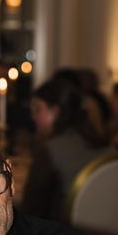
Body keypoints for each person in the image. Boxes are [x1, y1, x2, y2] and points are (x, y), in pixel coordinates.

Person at [21, 79, 108, 220]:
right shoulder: (108, 146)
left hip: (66, 229)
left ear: (55, 112)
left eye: (37, 109)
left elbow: (31, 209)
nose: (33, 117)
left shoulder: (50, 150)